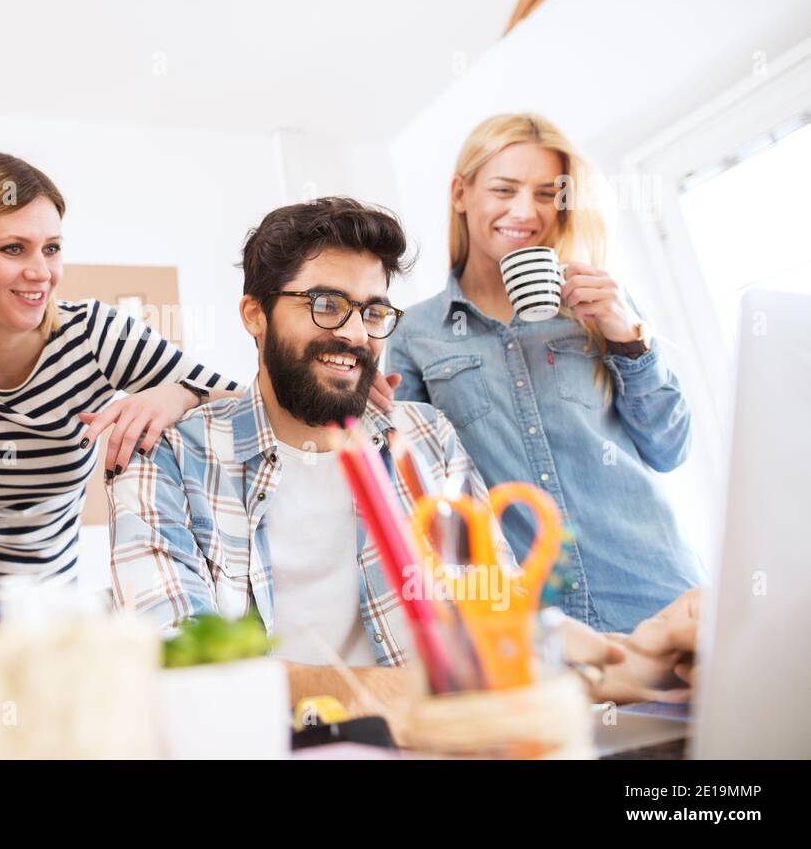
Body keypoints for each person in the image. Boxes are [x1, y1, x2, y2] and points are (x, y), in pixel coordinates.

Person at [109, 196, 699, 724]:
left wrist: (639, 658)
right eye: (325, 304)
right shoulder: (164, 456)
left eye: (371, 312)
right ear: (254, 316)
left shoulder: (423, 436)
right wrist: (410, 692)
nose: (354, 333)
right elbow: (180, 664)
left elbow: (492, 617)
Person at [0, 151, 240, 721]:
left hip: (43, 599)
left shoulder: (93, 334)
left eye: (51, 248)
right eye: (13, 249)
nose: (41, 271)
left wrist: (178, 394)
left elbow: (238, 404)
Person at [385, 114, 703, 633]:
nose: (525, 211)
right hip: (530, 624)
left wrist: (627, 335)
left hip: (656, 593)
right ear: (461, 194)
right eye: (504, 189)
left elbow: (670, 449)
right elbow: (420, 497)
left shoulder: (604, 308)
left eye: (545, 194)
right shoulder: (415, 333)